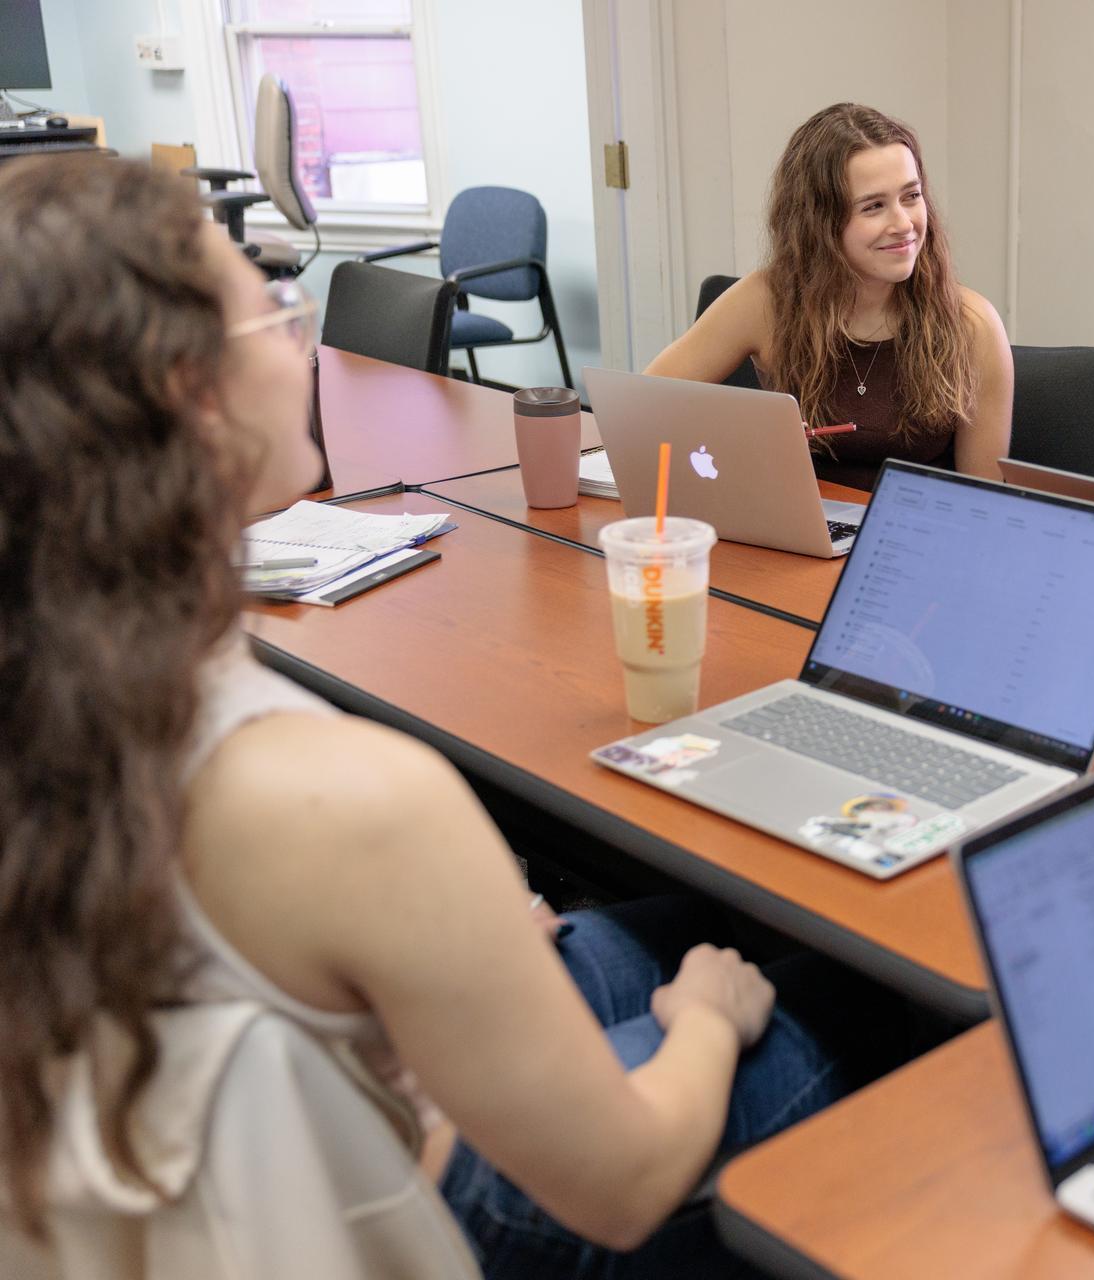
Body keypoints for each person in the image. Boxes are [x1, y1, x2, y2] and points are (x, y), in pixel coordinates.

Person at [0, 156, 899, 1278]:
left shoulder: (65, 698)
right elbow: (621, 1182)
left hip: (185, 1201)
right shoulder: (355, 800)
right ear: (196, 393)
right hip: (440, 1220)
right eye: (278, 310)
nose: (301, 342)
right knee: (865, 992)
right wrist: (708, 1018)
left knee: (685, 924)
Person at [645, 102, 1014, 490]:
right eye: (873, 206)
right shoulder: (765, 301)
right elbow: (641, 404)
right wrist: (744, 439)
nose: (904, 224)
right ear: (819, 224)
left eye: (911, 196)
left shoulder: (973, 323)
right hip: (793, 533)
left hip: (909, 538)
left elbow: (984, 501)